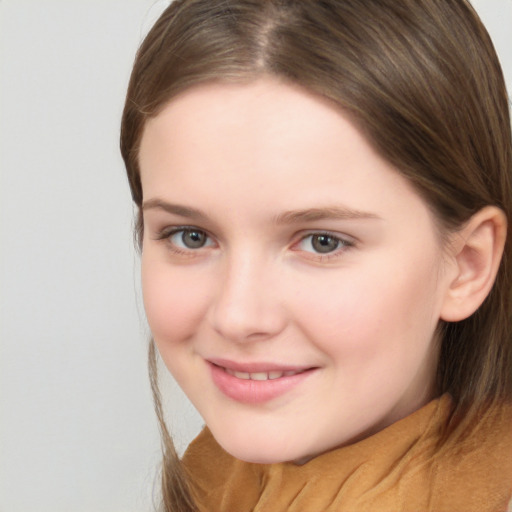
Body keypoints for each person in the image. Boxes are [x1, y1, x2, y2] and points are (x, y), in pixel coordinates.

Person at [120, 0, 512, 510]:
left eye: (322, 242)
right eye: (191, 236)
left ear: (466, 266)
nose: (238, 316)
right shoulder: (218, 485)